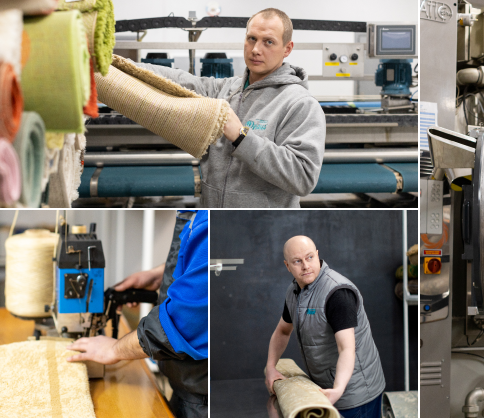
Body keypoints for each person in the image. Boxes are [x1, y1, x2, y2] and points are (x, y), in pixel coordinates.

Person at [133, 8, 326, 207]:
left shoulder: (300, 104)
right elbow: (181, 80)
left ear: (287, 49)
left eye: (268, 42)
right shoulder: (227, 89)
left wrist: (241, 137)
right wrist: (124, 66)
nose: (256, 49)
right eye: (252, 38)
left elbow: (303, 178)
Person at [67, 210, 210, 418]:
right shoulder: (202, 210)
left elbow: (182, 323)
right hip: (191, 389)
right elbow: (202, 261)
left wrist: (115, 349)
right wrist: (163, 274)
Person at [263, 236, 386, 418]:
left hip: (356, 393)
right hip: (324, 389)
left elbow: (346, 348)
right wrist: (271, 367)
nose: (306, 266)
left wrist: (338, 389)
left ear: (317, 254)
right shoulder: (295, 292)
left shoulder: (337, 293)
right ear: (287, 266)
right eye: (297, 261)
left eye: (309, 257)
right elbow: (282, 331)